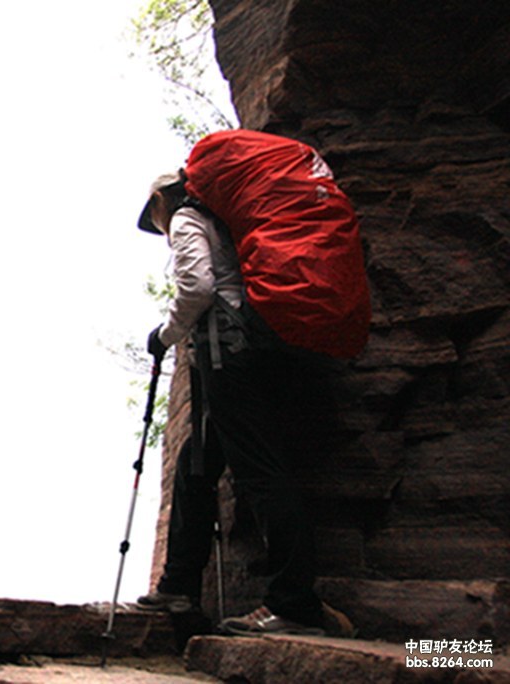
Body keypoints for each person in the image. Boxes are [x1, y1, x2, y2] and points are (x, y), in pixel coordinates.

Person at [133, 171, 352, 637]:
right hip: (250, 350)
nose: (159, 228)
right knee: (197, 464)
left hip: (228, 355)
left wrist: (164, 335)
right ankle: (178, 586)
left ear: (159, 201)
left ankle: (294, 604)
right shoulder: (225, 222)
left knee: (260, 470)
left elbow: (197, 288)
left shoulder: (187, 217)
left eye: (154, 217)